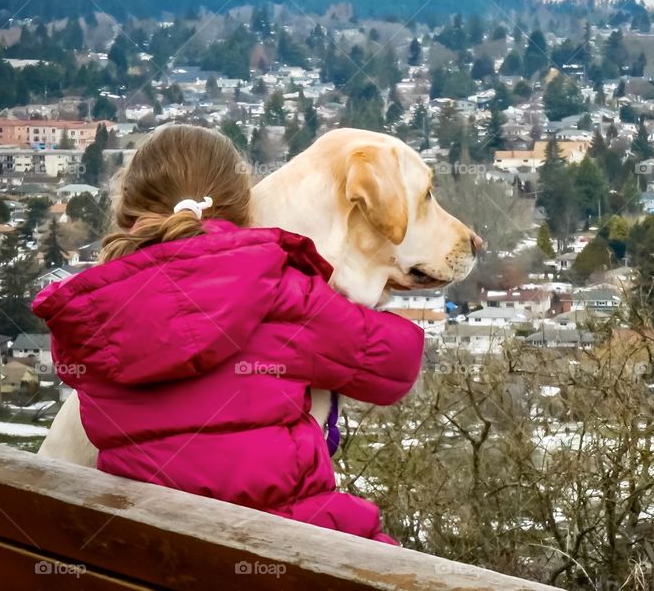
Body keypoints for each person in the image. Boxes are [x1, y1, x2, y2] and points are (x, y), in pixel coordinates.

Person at [33, 124, 424, 544]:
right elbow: (396, 366)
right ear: (244, 208)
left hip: (151, 551)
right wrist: (356, 283)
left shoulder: (91, 317)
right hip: (290, 544)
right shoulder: (280, 290)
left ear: (128, 211)